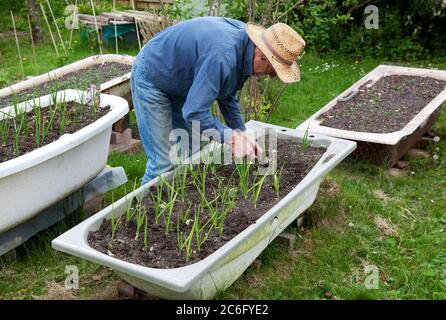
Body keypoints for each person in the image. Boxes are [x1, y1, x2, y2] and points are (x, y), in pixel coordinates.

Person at [130, 17, 305, 185]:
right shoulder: (223, 55)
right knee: (163, 164)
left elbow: (226, 93)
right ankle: (138, 213)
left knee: (192, 152)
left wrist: (241, 133)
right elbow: (194, 112)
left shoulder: (245, 47)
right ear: (262, 56)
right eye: (268, 71)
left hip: (181, 79)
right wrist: (232, 139)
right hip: (153, 77)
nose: (264, 77)